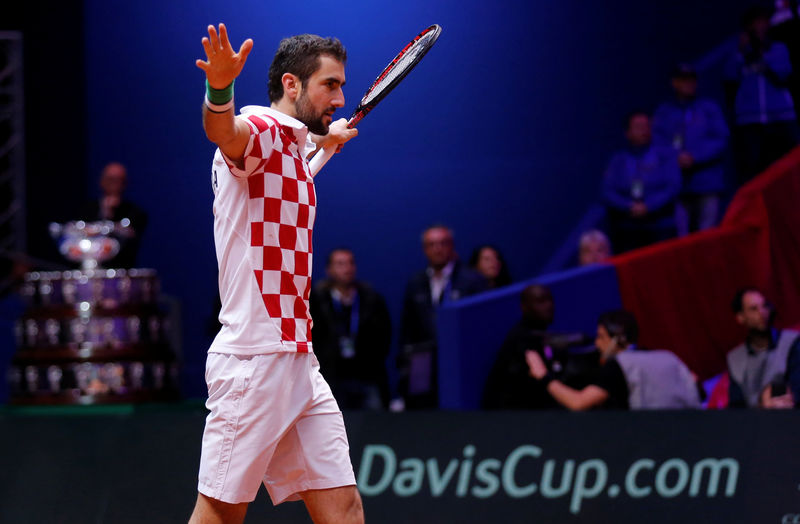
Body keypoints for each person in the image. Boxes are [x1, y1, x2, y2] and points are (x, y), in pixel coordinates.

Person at [190, 24, 363, 524]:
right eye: (330, 84)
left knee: (343, 507)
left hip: (298, 362)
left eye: (341, 85)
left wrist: (325, 143)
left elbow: (294, 175)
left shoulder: (289, 150)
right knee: (220, 513)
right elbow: (224, 132)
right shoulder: (259, 133)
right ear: (292, 85)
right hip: (253, 360)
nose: (340, 95)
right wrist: (219, 89)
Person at [526, 310, 700, 410]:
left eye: (601, 337)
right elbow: (695, 387)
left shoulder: (619, 366)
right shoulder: (668, 356)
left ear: (619, 339)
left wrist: (543, 376)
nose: (597, 343)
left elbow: (578, 402)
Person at [398, 224, 487, 409]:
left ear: (452, 246)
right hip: (422, 364)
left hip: (460, 363)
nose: (437, 249)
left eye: (442, 243)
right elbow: (407, 328)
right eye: (431, 244)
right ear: (424, 249)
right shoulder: (416, 283)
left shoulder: (472, 280)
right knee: (422, 417)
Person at [483, 284, 595, 409]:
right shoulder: (521, 340)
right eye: (540, 301)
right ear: (524, 307)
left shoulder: (544, 337)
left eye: (550, 300)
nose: (548, 306)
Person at [725, 6, 799, 185]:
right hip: (750, 120)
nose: (759, 27)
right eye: (754, 24)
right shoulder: (739, 53)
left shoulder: (778, 48)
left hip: (781, 116)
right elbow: (729, 77)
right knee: (752, 170)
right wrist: (742, 52)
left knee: (791, 163)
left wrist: (762, 54)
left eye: (762, 22)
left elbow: (782, 74)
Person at [310, 248, 391, 410]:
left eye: (350, 263)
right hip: (330, 377)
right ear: (329, 270)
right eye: (340, 264)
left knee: (374, 426)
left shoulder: (370, 298)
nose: (347, 268)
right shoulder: (317, 301)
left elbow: (384, 336)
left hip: (367, 376)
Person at [653, 64, 729, 236]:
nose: (689, 84)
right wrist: (676, 157)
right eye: (684, 80)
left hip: (708, 182)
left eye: (692, 80)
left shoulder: (709, 108)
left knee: (708, 234)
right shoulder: (665, 112)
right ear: (674, 83)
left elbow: (721, 138)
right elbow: (657, 142)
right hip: (678, 185)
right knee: (682, 237)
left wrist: (695, 156)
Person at [601, 111, 682, 253]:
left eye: (646, 126)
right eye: (638, 127)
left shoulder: (665, 155)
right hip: (628, 227)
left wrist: (649, 206)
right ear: (627, 132)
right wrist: (629, 206)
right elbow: (607, 191)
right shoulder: (618, 160)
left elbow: (673, 186)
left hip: (661, 224)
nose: (644, 130)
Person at [726, 288, 800, 409]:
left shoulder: (791, 342)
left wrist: (779, 396)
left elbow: (797, 388)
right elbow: (736, 405)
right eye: (753, 309)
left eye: (764, 306)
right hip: (754, 423)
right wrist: (761, 403)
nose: (762, 312)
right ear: (741, 317)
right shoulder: (735, 358)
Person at [79, 162, 148, 268]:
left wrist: (112, 215)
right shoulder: (86, 210)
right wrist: (104, 213)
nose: (114, 184)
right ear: (101, 181)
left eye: (119, 180)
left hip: (121, 272)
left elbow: (129, 242)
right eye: (110, 179)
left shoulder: (135, 213)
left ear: (125, 184)